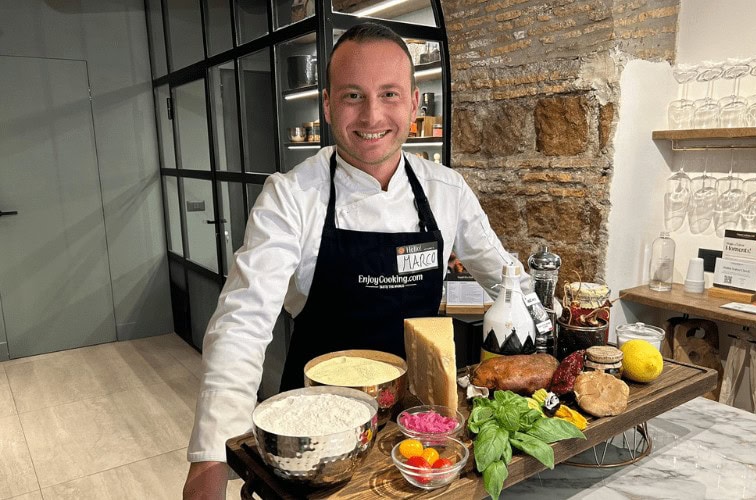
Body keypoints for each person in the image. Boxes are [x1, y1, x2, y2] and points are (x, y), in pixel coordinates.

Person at [182, 22, 526, 499]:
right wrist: (211, 459)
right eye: (352, 96)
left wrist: (542, 334)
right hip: (317, 435)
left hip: (419, 428)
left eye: (389, 94)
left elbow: (509, 282)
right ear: (326, 104)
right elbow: (242, 322)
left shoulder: (447, 192)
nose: (372, 115)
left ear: (412, 102)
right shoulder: (291, 196)